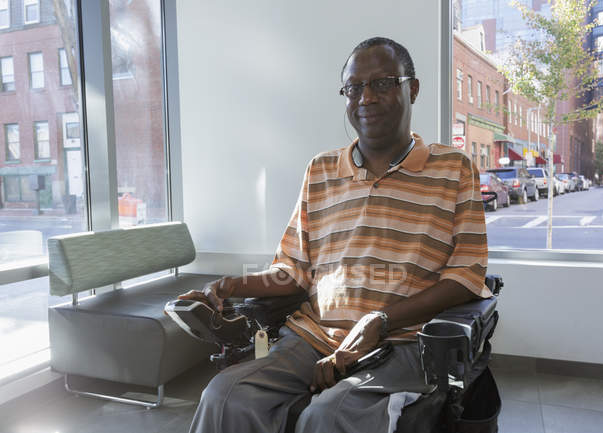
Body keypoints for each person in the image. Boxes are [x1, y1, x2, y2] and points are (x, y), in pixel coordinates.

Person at [180, 36, 489, 433]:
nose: (366, 98)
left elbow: (466, 276)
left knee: (332, 415)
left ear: (412, 88)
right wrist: (228, 286)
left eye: (382, 83)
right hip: (313, 337)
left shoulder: (454, 169)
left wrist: (379, 321)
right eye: (354, 87)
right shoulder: (321, 170)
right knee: (224, 397)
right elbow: (293, 271)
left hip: (403, 342)